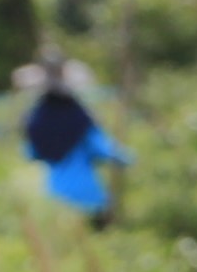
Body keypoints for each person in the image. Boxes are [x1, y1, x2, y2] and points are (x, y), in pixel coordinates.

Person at [16, 50, 129, 227]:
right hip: (89, 198)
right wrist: (124, 158)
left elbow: (31, 154)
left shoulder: (36, 120)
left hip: (53, 195)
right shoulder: (80, 118)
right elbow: (104, 148)